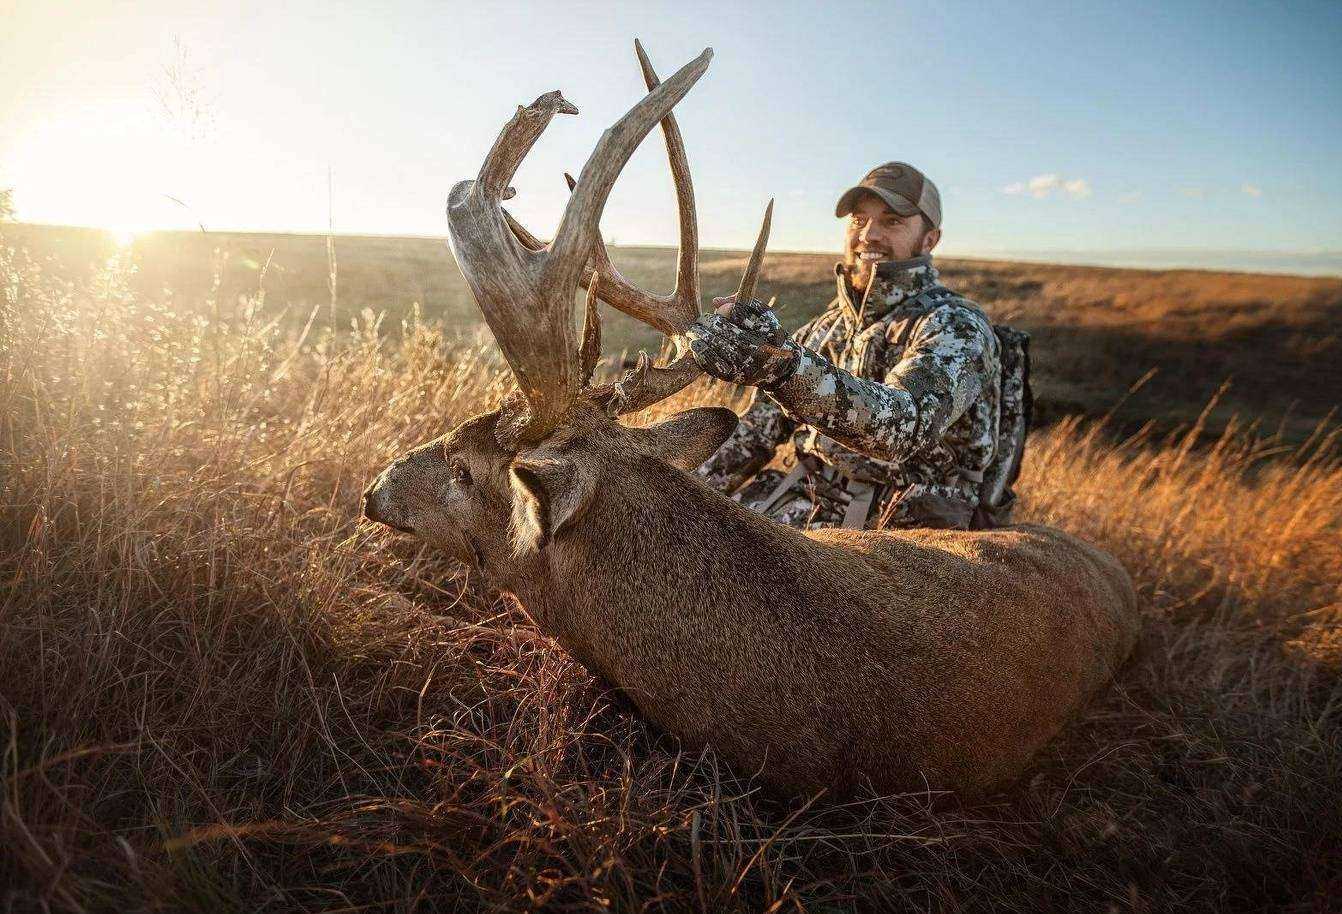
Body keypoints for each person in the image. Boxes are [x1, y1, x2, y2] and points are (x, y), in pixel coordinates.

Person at [686, 161, 1029, 530]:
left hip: (905, 533)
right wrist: (672, 487)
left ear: (930, 240)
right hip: (805, 503)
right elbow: (755, 435)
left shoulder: (956, 326)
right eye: (858, 219)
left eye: (892, 221)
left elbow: (902, 426)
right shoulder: (825, 329)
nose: (868, 235)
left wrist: (785, 368)